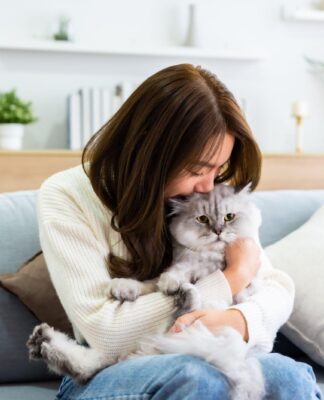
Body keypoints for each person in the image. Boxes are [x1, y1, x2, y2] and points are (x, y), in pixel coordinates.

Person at [38, 64, 322, 399]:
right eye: (197, 170)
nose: (207, 186)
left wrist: (238, 319)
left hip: (209, 352)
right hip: (109, 369)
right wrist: (231, 278)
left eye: (218, 169)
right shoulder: (66, 195)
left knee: (288, 376)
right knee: (198, 377)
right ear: (150, 153)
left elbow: (277, 290)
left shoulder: (217, 200)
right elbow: (107, 332)